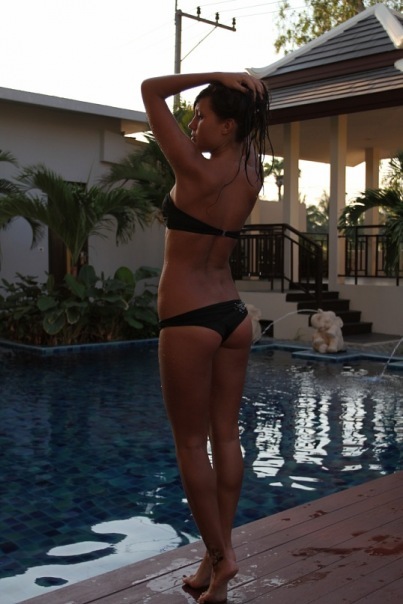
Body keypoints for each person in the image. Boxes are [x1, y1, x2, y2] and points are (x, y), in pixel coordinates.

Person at [141, 72, 270, 603]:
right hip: (234, 316)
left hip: (189, 317)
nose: (192, 124)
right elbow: (254, 110)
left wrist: (213, 75)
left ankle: (222, 558)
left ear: (228, 125)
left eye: (201, 116)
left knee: (191, 444)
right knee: (227, 437)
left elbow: (150, 89)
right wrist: (240, 89)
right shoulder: (252, 168)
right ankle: (213, 564)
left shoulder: (194, 169)